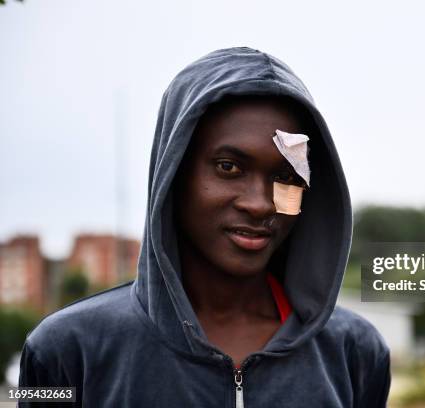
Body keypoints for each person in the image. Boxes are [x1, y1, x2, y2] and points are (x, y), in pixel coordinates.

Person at [19, 47, 391, 407]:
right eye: (229, 167)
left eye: (286, 176)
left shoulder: (355, 353)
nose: (260, 203)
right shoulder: (62, 351)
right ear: (174, 171)